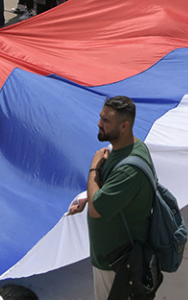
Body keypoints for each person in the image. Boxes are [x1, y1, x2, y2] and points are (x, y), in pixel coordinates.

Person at [66, 96, 155, 300]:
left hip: (118, 265)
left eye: (106, 120)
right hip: (114, 260)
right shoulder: (124, 150)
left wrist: (94, 167)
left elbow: (96, 210)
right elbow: (113, 188)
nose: (99, 123)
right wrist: (87, 197)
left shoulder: (129, 169)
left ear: (124, 126)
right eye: (100, 117)